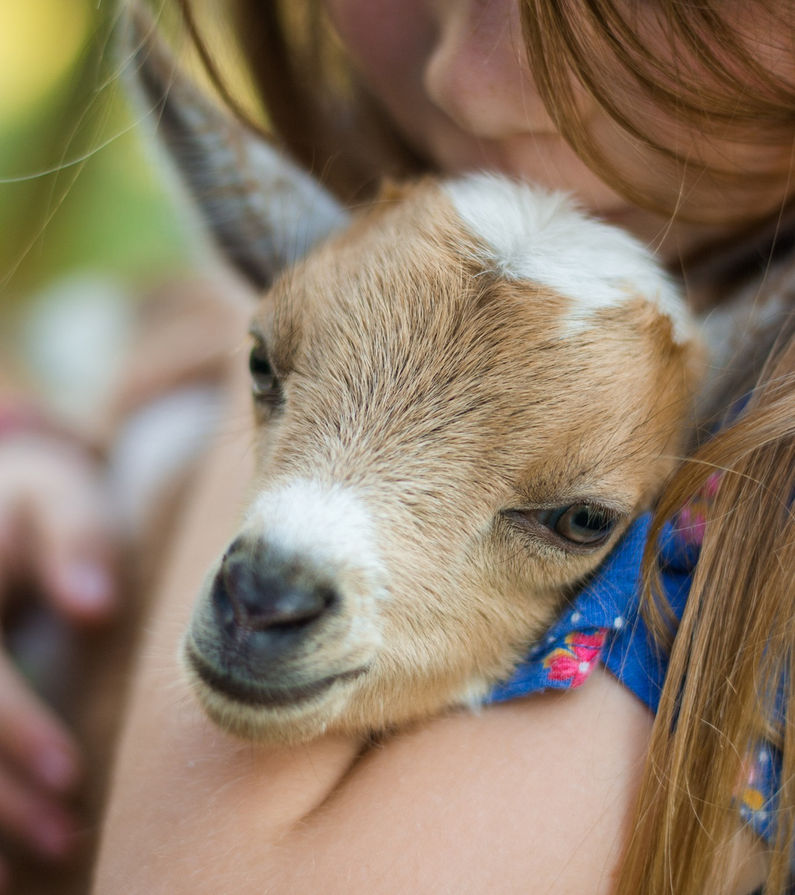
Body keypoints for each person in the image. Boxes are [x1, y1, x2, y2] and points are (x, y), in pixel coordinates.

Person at [88, 0, 791, 892]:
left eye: (574, 519)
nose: (469, 78)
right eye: (269, 367)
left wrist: (287, 329)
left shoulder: (746, 533)